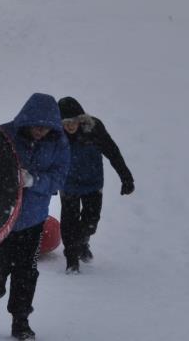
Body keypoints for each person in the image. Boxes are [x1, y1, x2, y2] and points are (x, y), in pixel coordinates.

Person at [0, 93, 70, 340]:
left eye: (46, 127)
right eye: (36, 126)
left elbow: (59, 179)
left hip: (33, 219)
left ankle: (21, 320)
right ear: (27, 120)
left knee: (26, 272)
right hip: (0, 216)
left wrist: (33, 180)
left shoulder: (59, 144)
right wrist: (6, 177)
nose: (40, 132)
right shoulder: (5, 134)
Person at [57, 96, 134, 274]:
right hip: (68, 183)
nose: (69, 126)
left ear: (81, 119)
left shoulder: (94, 129)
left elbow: (112, 151)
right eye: (65, 122)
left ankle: (83, 241)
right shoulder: (56, 134)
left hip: (93, 182)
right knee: (69, 222)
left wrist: (126, 177)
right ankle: (71, 260)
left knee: (91, 222)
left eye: (73, 121)